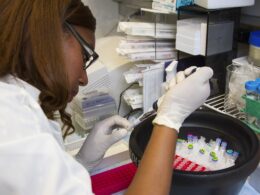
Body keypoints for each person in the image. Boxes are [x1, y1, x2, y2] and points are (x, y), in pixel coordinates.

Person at [0, 0, 213, 194]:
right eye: (85, 57)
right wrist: (171, 117)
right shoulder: (12, 122)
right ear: (46, 35)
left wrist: (81, 163)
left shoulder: (15, 103)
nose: (84, 79)